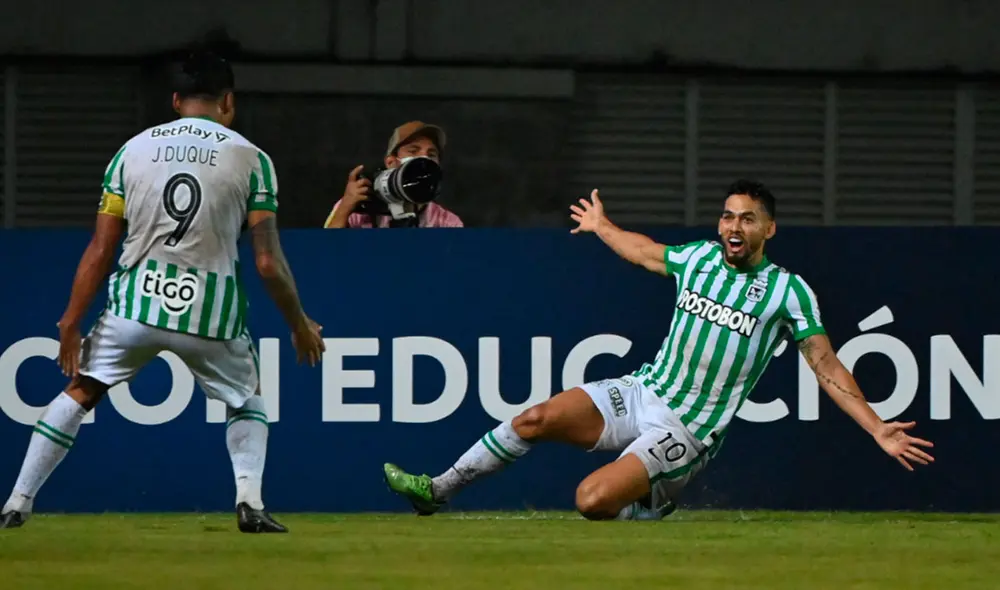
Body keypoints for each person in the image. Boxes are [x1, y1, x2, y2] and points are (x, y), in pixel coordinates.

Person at [383, 180, 935, 520]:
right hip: (641, 390)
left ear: (769, 228)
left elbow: (825, 364)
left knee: (591, 501)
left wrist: (876, 426)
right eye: (727, 215)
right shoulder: (698, 258)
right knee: (534, 419)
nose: (733, 225)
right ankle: (438, 488)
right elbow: (645, 252)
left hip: (688, 429)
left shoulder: (788, 292)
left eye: (746, 217)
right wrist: (602, 226)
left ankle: (651, 503)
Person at [0, 50, 325, 532]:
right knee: (247, 398)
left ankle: (17, 502)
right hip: (210, 315)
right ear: (228, 102)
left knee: (83, 389)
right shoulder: (252, 160)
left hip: (136, 307)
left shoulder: (130, 152)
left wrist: (70, 321)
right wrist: (299, 324)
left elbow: (100, 248)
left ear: (175, 100)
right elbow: (266, 261)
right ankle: (249, 502)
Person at [323, 121, 464, 228]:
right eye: (413, 151)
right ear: (391, 162)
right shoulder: (356, 206)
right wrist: (345, 209)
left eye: (431, 154)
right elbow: (324, 252)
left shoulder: (446, 222)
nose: (423, 159)